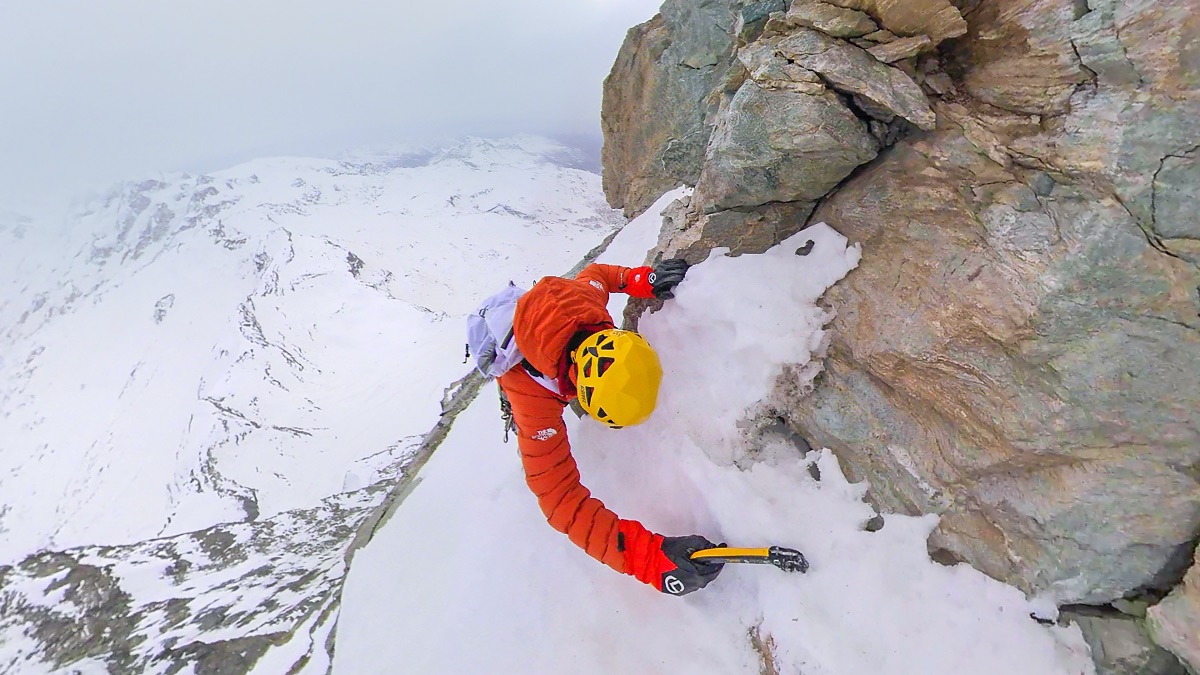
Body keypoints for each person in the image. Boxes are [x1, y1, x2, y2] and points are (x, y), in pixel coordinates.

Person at [497, 259, 724, 596]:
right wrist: (648, 559)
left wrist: (642, 279)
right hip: (517, 352)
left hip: (550, 315)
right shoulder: (532, 400)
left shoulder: (587, 302)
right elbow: (561, 502)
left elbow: (599, 275)